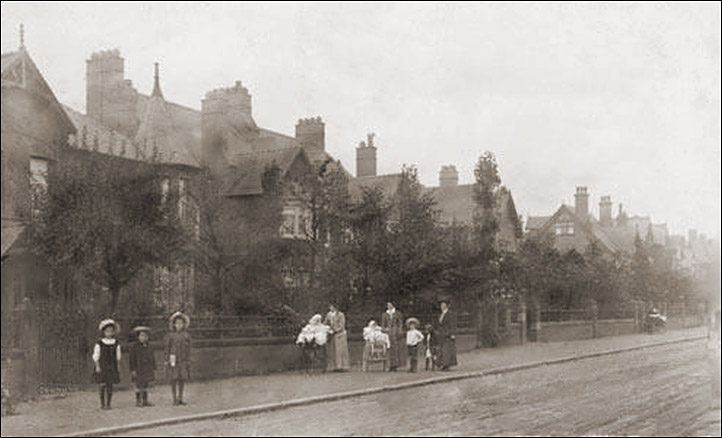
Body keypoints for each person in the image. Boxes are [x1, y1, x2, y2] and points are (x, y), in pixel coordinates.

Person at [93, 319, 121, 410]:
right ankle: (102, 403)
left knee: (110, 385)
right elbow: (96, 355)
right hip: (103, 365)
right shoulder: (99, 343)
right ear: (104, 332)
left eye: (111, 331)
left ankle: (108, 403)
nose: (109, 333)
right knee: (102, 385)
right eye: (107, 331)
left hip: (112, 366)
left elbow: (118, 356)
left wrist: (118, 365)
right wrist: (97, 366)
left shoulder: (116, 343)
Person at [166, 311, 191, 406]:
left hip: (183, 359)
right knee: (174, 379)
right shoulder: (170, 335)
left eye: (181, 323)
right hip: (173, 359)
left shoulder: (186, 335)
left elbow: (189, 348)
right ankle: (174, 398)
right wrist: (167, 359)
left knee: (182, 379)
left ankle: (181, 397)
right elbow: (167, 348)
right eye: (177, 323)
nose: (179, 325)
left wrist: (188, 359)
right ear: (174, 324)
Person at [129, 326, 156, 407]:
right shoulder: (134, 347)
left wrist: (154, 367)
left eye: (145, 336)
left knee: (145, 385)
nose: (143, 338)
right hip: (138, 368)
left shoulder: (149, 346)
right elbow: (132, 359)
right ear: (138, 337)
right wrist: (133, 369)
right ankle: (138, 401)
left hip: (146, 369)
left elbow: (152, 358)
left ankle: (145, 400)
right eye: (142, 336)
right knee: (138, 385)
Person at [324, 303, 350, 372]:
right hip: (332, 335)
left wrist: (336, 330)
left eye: (332, 306)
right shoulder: (329, 314)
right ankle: (334, 366)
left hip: (340, 334)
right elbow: (326, 323)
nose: (330, 308)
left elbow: (342, 325)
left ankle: (343, 366)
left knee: (341, 350)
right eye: (330, 306)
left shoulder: (341, 315)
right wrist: (326, 329)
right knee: (334, 351)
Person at [434, 299, 457, 371]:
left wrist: (453, 333)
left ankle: (447, 365)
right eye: (441, 305)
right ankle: (442, 364)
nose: (442, 306)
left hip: (448, 333)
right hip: (441, 334)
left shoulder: (450, 314)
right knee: (441, 350)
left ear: (446, 306)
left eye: (443, 305)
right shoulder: (441, 315)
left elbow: (453, 324)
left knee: (447, 350)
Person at [381, 302, 404, 372]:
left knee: (396, 349)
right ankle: (390, 365)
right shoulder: (384, 314)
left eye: (390, 305)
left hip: (395, 333)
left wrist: (399, 330)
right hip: (388, 333)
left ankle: (395, 365)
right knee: (389, 349)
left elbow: (400, 323)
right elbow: (383, 324)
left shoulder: (397, 313)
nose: (389, 306)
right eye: (387, 305)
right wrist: (384, 329)